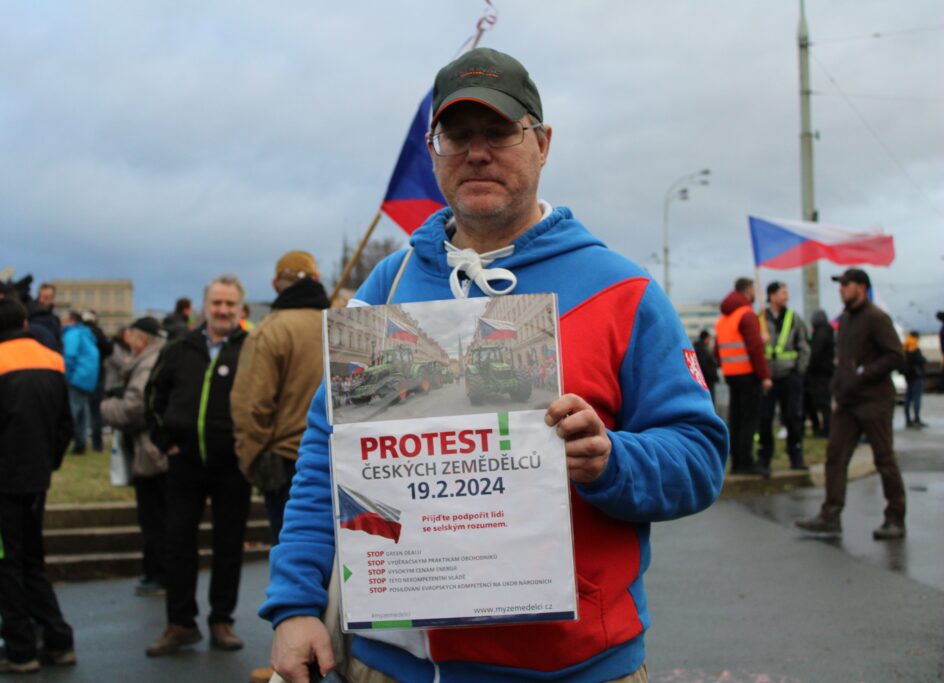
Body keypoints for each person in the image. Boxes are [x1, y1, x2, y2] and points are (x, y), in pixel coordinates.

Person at [261, 48, 727, 683]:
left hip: (576, 670)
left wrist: (611, 461)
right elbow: (326, 451)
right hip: (394, 667)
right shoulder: (386, 288)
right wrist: (294, 604)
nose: (477, 153)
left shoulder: (623, 291)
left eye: (499, 132)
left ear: (543, 143)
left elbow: (700, 455)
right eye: (457, 136)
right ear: (435, 151)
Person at [230, 251, 330, 683]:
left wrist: (250, 459)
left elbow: (250, 406)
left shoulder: (270, 330)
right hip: (339, 457)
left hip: (288, 460)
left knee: (294, 563)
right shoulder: (338, 322)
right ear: (317, 278)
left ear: (276, 285)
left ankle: (291, 660)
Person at [0, 298, 75, 674]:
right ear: (25, 324)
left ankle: (20, 651)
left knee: (3, 566)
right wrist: (48, 463)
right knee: (32, 562)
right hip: (36, 479)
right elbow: (65, 425)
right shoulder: (53, 361)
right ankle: (58, 641)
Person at [144, 275, 252, 657]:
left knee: (228, 546)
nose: (222, 310)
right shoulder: (178, 348)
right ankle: (180, 623)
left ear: (240, 308)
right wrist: (164, 440)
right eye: (217, 303)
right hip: (184, 462)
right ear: (205, 306)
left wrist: (249, 449)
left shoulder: (251, 348)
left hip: (233, 465)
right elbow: (153, 395)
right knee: (177, 544)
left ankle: (221, 621)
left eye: (229, 304)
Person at [796, 269, 906, 540]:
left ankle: (895, 517)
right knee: (835, 457)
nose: (841, 289)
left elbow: (896, 355)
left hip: (874, 401)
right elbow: (843, 361)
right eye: (841, 285)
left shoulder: (876, 318)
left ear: (861, 287)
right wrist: (837, 389)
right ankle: (830, 516)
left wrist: (864, 373)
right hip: (847, 402)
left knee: (884, 459)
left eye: (846, 284)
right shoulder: (845, 320)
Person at [100, 317, 169, 596]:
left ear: (142, 338)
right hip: (152, 451)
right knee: (155, 516)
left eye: (132, 335)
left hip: (151, 453)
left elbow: (134, 409)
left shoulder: (148, 363)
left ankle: (157, 573)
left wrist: (106, 407)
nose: (128, 340)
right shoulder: (153, 359)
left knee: (153, 517)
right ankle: (156, 571)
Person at [715, 277, 772, 475]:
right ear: (748, 290)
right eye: (753, 290)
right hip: (748, 374)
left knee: (736, 419)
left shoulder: (724, 319)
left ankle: (737, 461)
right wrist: (764, 376)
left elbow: (717, 351)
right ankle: (746, 462)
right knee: (749, 420)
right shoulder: (747, 315)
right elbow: (755, 348)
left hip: (731, 375)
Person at [758, 282, 810, 472]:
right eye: (782, 293)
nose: (786, 296)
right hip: (767, 378)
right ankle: (764, 457)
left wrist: (799, 371)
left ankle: (796, 455)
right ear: (771, 296)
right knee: (765, 418)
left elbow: (804, 345)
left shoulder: (794, 318)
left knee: (793, 416)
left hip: (790, 376)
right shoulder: (760, 319)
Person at [61, 312, 100, 455]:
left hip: (77, 377)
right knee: (82, 413)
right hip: (88, 378)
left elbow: (69, 356)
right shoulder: (86, 334)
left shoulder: (72, 334)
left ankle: (62, 443)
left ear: (71, 320)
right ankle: (80, 443)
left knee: (70, 413)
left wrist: (65, 377)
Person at [82, 310, 113, 453]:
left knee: (79, 410)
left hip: (80, 377)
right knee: (95, 411)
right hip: (97, 375)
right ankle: (96, 444)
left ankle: (79, 442)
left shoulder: (78, 332)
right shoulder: (98, 333)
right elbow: (109, 349)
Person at [805, 309, 835, 437]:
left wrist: (809, 367)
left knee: (822, 402)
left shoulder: (821, 333)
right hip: (824, 372)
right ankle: (825, 427)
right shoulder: (827, 331)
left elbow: (815, 353)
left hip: (820, 373)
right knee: (822, 402)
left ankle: (826, 429)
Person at [26, 283, 63, 350]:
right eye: (40, 297)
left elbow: (58, 342)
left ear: (52, 299)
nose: (41, 300)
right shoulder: (29, 314)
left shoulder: (55, 320)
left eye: (46, 298)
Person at [902, 331, 927, 428]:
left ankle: (907, 420)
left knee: (908, 398)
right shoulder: (914, 347)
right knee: (917, 398)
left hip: (908, 376)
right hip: (917, 376)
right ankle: (916, 419)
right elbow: (920, 360)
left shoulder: (904, 346)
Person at [693, 329, 720, 405]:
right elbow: (705, 366)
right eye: (709, 339)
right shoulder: (702, 350)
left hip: (702, 381)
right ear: (706, 338)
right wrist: (714, 376)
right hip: (707, 381)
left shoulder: (697, 348)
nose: (710, 341)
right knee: (709, 401)